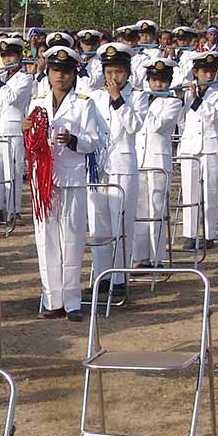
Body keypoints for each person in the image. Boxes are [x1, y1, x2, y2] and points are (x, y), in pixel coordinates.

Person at [23, 45, 98, 321]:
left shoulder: (84, 103)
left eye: (66, 72)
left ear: (73, 74)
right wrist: (26, 131)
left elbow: (95, 141)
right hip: (42, 178)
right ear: (49, 72)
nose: (60, 77)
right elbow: (31, 139)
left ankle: (72, 301)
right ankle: (52, 299)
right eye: (56, 71)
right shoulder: (37, 101)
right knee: (46, 240)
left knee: (72, 239)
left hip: (71, 176)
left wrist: (74, 141)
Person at [88, 41, 147, 298]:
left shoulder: (138, 96)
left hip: (123, 165)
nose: (113, 77)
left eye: (118, 72)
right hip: (100, 167)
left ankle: (120, 277)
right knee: (99, 225)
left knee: (121, 224)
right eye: (109, 71)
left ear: (128, 72)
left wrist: (118, 99)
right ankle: (102, 275)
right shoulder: (95, 96)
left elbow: (134, 126)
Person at [178, 50, 218, 252]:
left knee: (210, 191)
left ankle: (209, 234)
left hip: (210, 146)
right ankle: (190, 234)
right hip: (190, 145)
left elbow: (214, 116)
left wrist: (197, 99)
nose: (209, 75)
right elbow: (179, 119)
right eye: (204, 71)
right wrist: (180, 98)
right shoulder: (187, 92)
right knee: (190, 191)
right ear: (195, 72)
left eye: (212, 71)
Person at [133, 57, 181, 269]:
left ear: (168, 82)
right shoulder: (140, 98)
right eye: (153, 80)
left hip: (159, 162)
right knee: (139, 210)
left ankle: (158, 257)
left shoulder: (173, 102)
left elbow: (158, 126)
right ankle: (140, 256)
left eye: (162, 80)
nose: (157, 85)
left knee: (157, 209)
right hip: (139, 161)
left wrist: (143, 104)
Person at [0, 35, 34, 222]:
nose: (7, 60)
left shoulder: (26, 78)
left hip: (14, 129)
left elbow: (11, 98)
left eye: (11, 56)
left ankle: (13, 210)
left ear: (19, 57)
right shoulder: (0, 76)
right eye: (4, 56)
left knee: (13, 172)